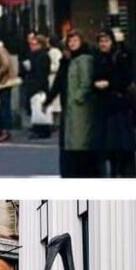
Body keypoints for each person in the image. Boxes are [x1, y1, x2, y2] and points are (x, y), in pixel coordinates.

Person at [46, 29, 99, 177]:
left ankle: (81, 172)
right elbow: (59, 82)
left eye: (75, 40)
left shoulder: (84, 59)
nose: (72, 44)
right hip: (69, 107)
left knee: (80, 140)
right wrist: (49, 99)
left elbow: (86, 82)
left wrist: (77, 97)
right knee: (70, 141)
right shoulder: (69, 60)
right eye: (70, 41)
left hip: (79, 107)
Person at [93, 29, 136, 178]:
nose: (103, 44)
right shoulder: (98, 58)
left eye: (106, 41)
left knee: (121, 146)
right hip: (104, 107)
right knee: (108, 146)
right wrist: (96, 84)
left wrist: (109, 83)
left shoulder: (120, 56)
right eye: (101, 41)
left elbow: (125, 77)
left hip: (119, 107)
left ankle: (123, 172)